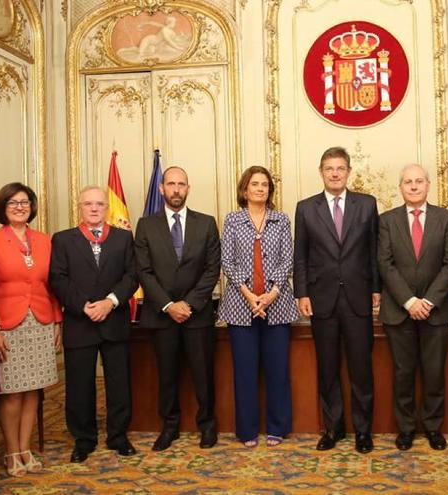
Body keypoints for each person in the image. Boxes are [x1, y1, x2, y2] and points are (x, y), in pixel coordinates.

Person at [293, 146, 380, 454]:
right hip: (321, 299)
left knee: (361, 369)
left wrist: (376, 289)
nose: (334, 173)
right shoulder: (305, 208)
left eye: (340, 168)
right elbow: (300, 255)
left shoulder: (367, 205)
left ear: (348, 172)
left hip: (358, 299)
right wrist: (301, 292)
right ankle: (333, 428)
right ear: (321, 172)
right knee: (327, 369)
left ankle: (363, 431)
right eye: (329, 168)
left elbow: (373, 251)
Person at [49, 186, 139, 463]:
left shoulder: (124, 238)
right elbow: (58, 278)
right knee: (79, 386)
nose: (94, 208)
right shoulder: (63, 239)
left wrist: (110, 302)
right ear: (79, 207)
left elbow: (132, 276)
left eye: (99, 204)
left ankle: (118, 437)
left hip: (114, 320)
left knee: (119, 384)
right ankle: (84, 440)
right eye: (88, 204)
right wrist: (84, 306)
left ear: (106, 208)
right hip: (80, 321)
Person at [134, 166, 221, 451]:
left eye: (181, 184)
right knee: (167, 376)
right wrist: (169, 305)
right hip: (162, 315)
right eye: (170, 184)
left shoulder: (206, 223)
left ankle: (207, 426)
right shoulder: (146, 225)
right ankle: (169, 427)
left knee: (203, 375)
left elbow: (212, 269)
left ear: (188, 188)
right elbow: (143, 271)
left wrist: (189, 304)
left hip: (197, 315)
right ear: (161, 189)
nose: (175, 189)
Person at [0, 183, 61, 476]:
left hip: (40, 321)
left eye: (25, 201)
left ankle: (25, 449)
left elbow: (50, 284)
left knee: (33, 391)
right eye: (12, 202)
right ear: (2, 206)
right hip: (5, 322)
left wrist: (56, 320)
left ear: (32, 206)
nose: (19, 206)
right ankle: (11, 452)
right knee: (11, 392)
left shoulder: (44, 240)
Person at [218, 166, 300, 448]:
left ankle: (278, 427)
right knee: (245, 372)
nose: (260, 189)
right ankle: (247, 430)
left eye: (265, 185)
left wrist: (270, 294)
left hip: (277, 306)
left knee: (278, 371)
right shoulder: (232, 220)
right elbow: (228, 262)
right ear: (244, 190)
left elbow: (287, 260)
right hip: (241, 306)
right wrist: (250, 295)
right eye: (255, 184)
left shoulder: (281, 219)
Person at [377, 164, 448, 451]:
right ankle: (406, 428)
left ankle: (434, 427)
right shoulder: (386, 220)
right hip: (400, 311)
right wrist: (409, 301)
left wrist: (428, 301)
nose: (413, 186)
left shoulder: (445, 218)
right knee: (403, 373)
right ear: (400, 187)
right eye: (408, 182)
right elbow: (385, 264)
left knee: (434, 373)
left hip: (436, 311)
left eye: (418, 181)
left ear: (428, 185)